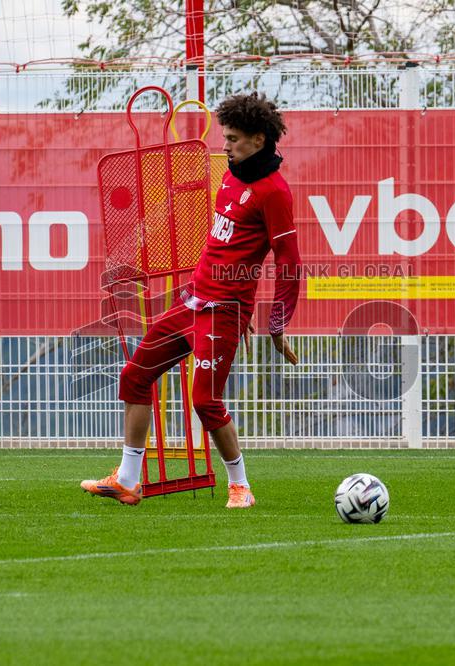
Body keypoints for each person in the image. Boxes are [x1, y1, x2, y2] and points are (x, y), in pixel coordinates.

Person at [81, 92, 302, 509]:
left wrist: (275, 323)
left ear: (259, 139)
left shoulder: (274, 192)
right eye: (225, 136)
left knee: (204, 400)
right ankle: (128, 481)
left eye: (234, 138)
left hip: (223, 313)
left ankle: (240, 487)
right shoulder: (234, 173)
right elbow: (231, 247)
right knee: (134, 377)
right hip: (193, 301)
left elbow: (289, 263)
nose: (226, 145)